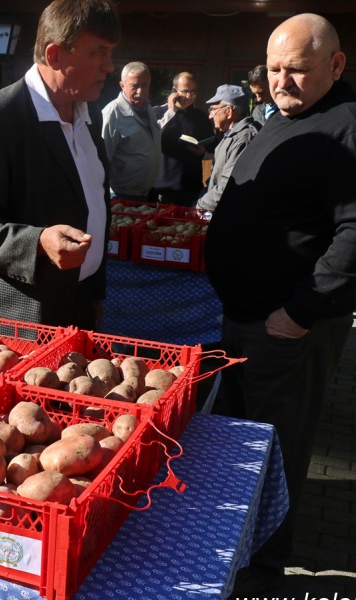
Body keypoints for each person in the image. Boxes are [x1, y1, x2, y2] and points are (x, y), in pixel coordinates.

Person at [204, 13, 356, 594]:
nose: (282, 82)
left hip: (287, 329)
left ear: (336, 66)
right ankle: (241, 546)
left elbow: (353, 236)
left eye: (299, 70)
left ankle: (265, 566)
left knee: (276, 448)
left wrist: (299, 312)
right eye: (273, 70)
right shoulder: (284, 119)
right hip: (248, 320)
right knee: (241, 442)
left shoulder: (345, 127)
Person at [0, 0, 118, 331]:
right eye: (99, 52)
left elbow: (93, 205)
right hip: (19, 323)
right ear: (55, 55)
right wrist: (38, 242)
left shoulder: (89, 115)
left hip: (77, 308)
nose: (110, 66)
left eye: (111, 53)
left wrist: (92, 294)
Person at [152, 72, 215, 206]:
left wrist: (203, 153)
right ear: (174, 91)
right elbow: (152, 141)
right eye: (185, 91)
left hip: (191, 188)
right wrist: (172, 111)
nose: (189, 96)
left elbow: (212, 151)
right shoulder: (157, 113)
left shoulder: (201, 117)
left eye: (193, 91)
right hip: (162, 186)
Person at [101, 61, 161, 201]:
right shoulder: (112, 113)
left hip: (146, 194)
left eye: (144, 85)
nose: (140, 91)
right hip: (120, 195)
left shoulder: (149, 109)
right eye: (135, 86)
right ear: (122, 85)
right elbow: (102, 158)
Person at [195, 84, 259, 213]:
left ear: (229, 111)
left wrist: (200, 205)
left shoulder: (244, 138)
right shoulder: (232, 134)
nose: (210, 116)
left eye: (213, 109)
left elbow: (228, 186)